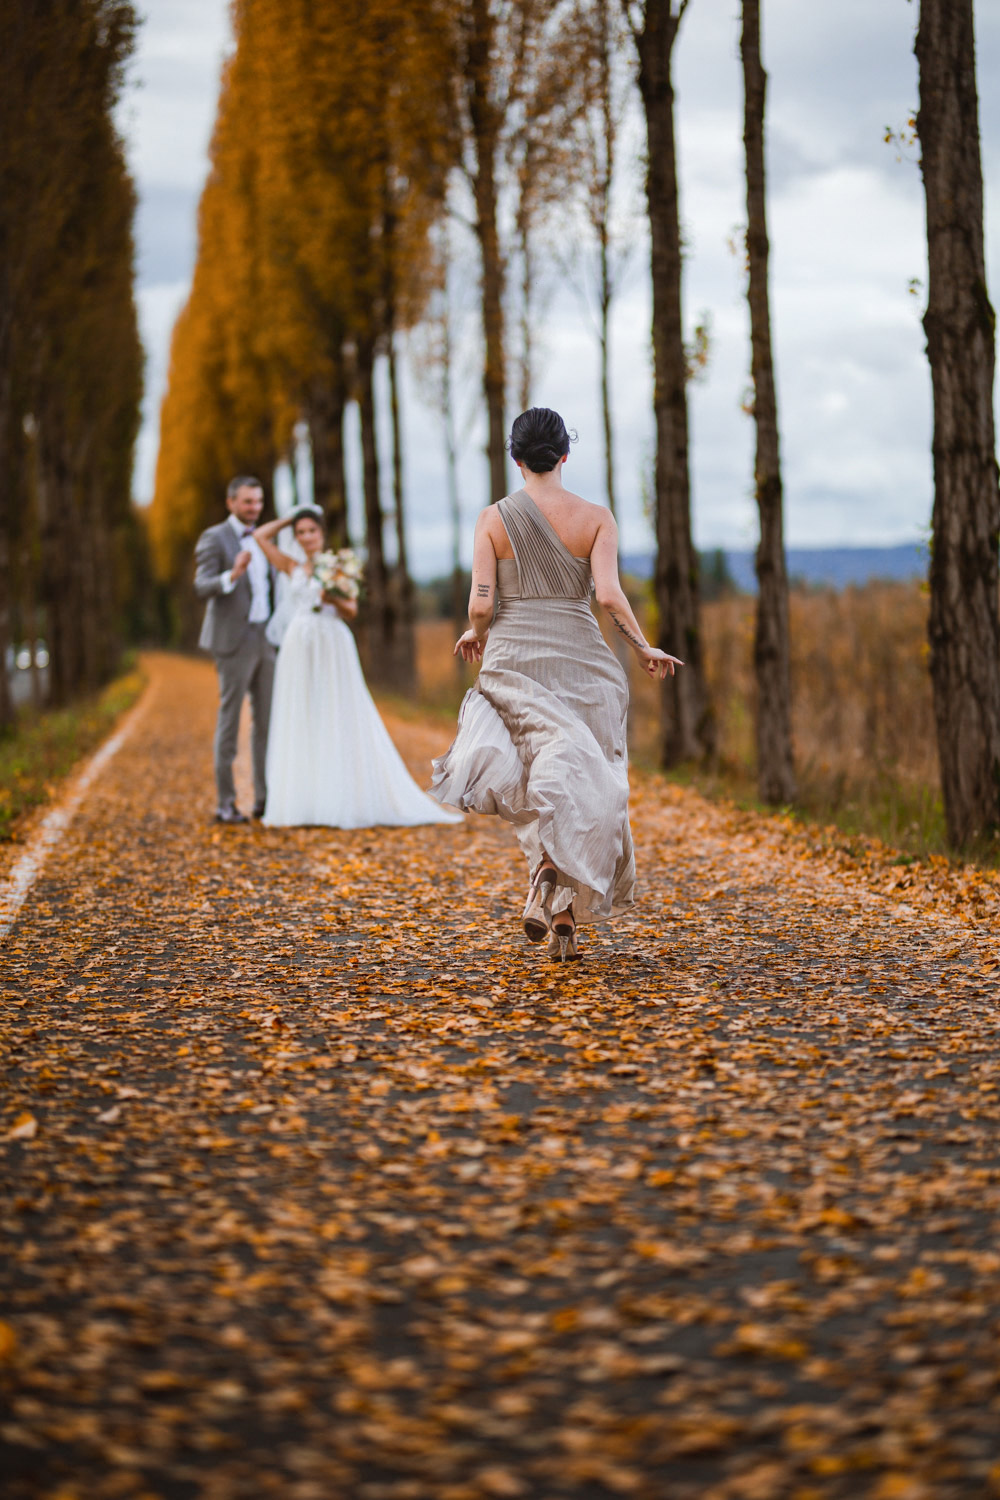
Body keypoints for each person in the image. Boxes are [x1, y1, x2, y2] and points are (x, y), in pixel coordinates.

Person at [430, 407, 682, 961]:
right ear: (565, 453)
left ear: (515, 458)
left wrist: (474, 634)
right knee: (584, 772)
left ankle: (550, 878)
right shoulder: (595, 518)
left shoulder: (493, 519)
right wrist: (642, 646)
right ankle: (562, 900)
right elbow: (610, 596)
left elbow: (481, 601)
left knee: (532, 776)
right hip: (583, 662)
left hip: (514, 658)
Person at [252, 505, 463, 829]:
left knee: (336, 711)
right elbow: (260, 536)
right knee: (302, 713)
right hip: (298, 645)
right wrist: (291, 516)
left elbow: (350, 609)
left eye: (311, 530)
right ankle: (304, 800)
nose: (306, 537)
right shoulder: (291, 565)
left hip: (331, 642)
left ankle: (339, 797)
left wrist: (329, 595)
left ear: (322, 534)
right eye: (300, 532)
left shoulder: (337, 565)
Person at [194, 475, 277, 823]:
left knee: (267, 723)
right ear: (230, 503)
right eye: (247, 502)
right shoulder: (214, 537)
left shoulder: (264, 538)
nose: (254, 508)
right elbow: (201, 586)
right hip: (232, 641)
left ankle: (264, 799)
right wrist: (232, 574)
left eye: (258, 501)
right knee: (229, 721)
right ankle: (226, 803)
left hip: (266, 639)